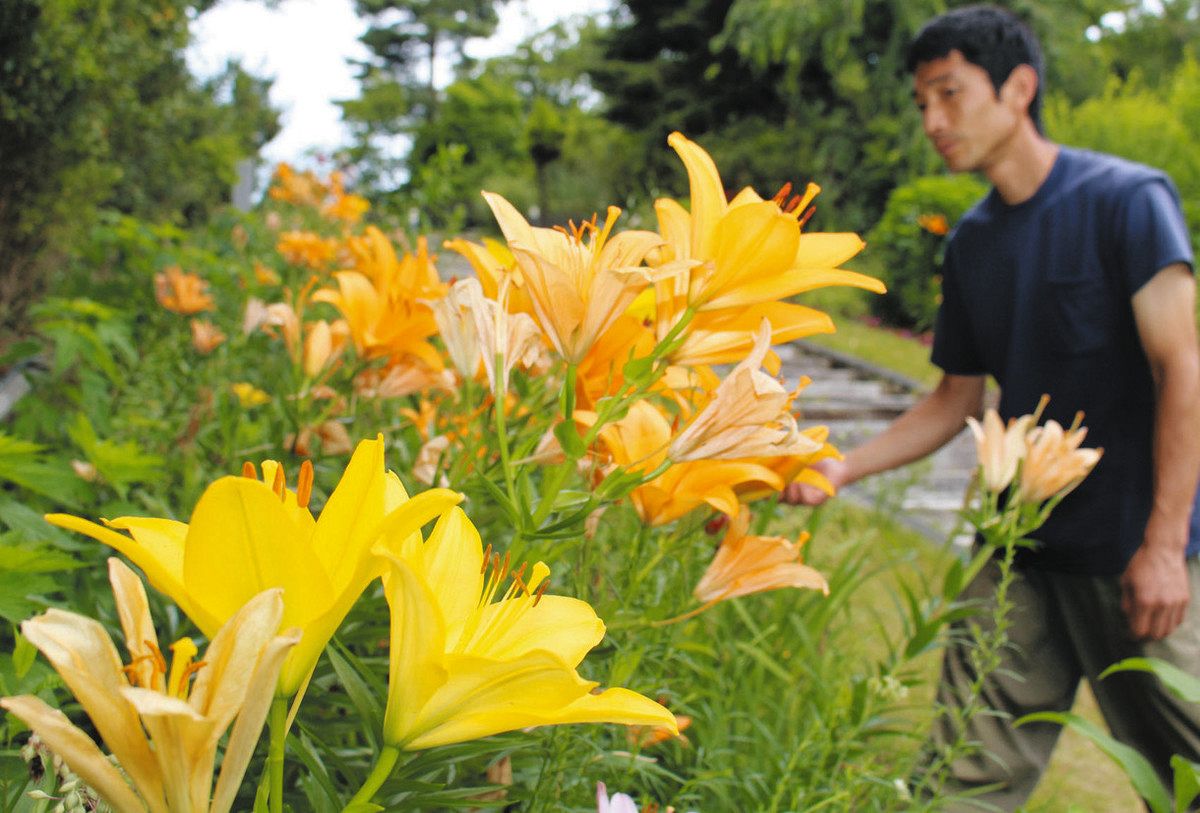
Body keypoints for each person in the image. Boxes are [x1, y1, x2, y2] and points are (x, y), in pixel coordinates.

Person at [785, 4, 1200, 809]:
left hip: (1133, 557)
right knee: (959, 780)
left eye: (949, 93)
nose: (934, 121)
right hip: (1021, 555)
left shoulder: (1127, 201)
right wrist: (841, 468)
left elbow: (1183, 368)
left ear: (1019, 88)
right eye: (922, 104)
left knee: (1187, 775)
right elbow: (954, 399)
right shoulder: (972, 242)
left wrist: (1160, 547)